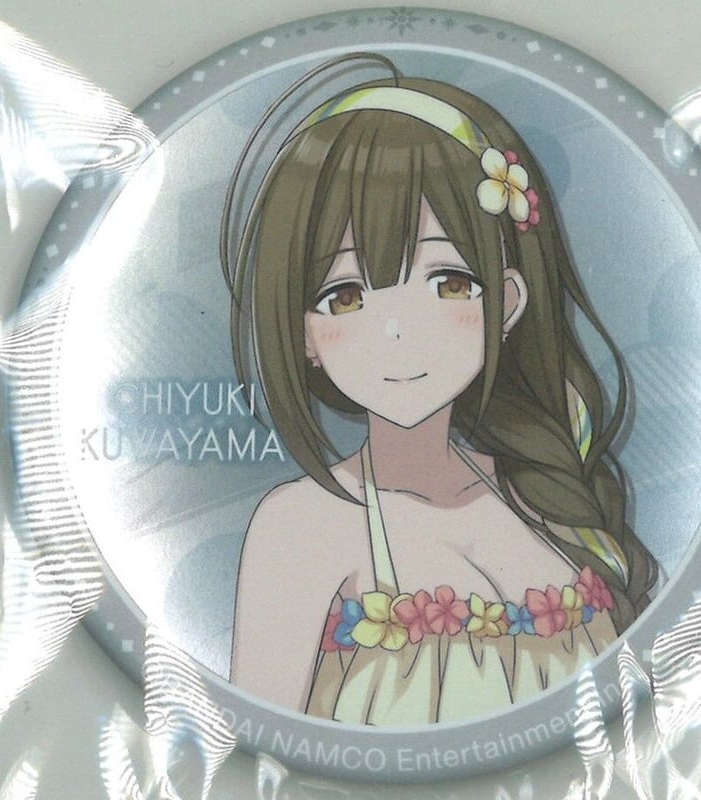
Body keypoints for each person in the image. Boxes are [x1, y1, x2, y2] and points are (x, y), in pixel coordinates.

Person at [221, 55, 657, 725]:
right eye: (345, 296)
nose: (397, 331)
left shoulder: (554, 497)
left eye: (449, 283)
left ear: (508, 301)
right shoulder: (303, 527)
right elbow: (256, 756)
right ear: (302, 332)